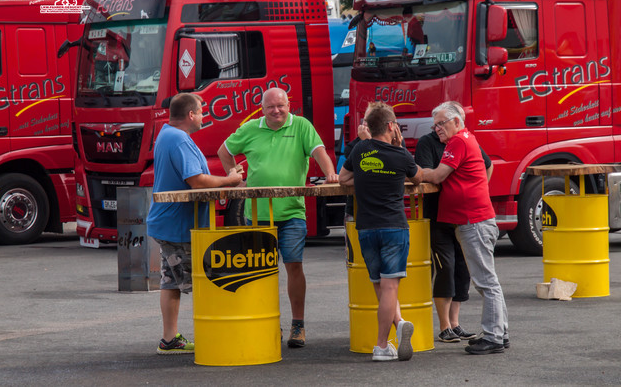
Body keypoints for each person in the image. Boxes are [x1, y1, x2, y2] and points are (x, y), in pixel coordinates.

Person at [217, 87, 339, 348]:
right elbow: (224, 151)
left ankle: (298, 325)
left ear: (288, 105)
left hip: (292, 212)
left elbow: (319, 150)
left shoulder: (302, 126)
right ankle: (266, 321)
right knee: (260, 272)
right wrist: (233, 177)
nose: (276, 111)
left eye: (281, 106)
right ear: (263, 108)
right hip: (256, 215)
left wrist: (330, 173)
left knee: (294, 266)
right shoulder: (251, 129)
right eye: (271, 107)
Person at [147, 93, 242, 355]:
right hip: (178, 226)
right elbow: (196, 180)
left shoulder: (167, 134)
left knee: (171, 281)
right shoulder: (178, 139)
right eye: (201, 111)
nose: (203, 115)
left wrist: (223, 182)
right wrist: (229, 180)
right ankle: (215, 337)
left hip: (167, 223)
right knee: (203, 282)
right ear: (190, 115)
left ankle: (169, 340)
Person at [421, 101, 509, 355]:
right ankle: (500, 333)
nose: (437, 128)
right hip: (476, 219)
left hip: (474, 221)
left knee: (485, 282)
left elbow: (437, 176)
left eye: (441, 123)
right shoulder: (466, 139)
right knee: (488, 280)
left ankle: (493, 337)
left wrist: (416, 172)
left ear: (457, 121)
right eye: (435, 124)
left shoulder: (458, 141)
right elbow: (485, 167)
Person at [338, 102, 423, 362]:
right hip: (394, 227)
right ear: (390, 126)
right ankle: (381, 346)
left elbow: (343, 178)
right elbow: (418, 177)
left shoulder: (361, 149)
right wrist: (400, 147)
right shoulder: (400, 156)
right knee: (390, 287)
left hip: (366, 228)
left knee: (380, 285)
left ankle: (398, 325)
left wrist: (364, 176)